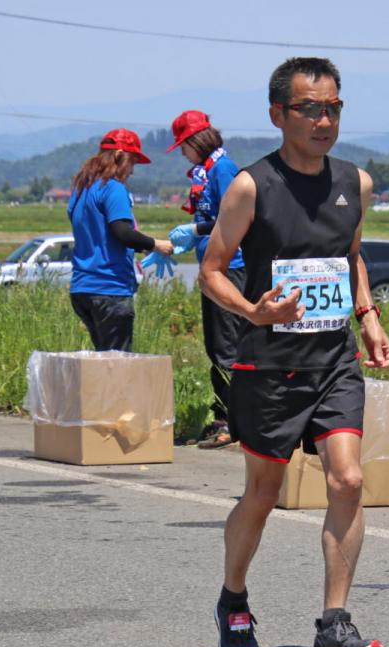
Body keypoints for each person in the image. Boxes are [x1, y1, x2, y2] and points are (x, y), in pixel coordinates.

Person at [199, 57, 389, 647]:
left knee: (350, 480)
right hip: (268, 366)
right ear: (278, 114)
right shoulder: (251, 187)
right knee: (263, 491)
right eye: (310, 108)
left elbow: (350, 255)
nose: (324, 119)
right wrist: (254, 314)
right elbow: (210, 271)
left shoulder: (355, 183)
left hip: (333, 359)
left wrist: (368, 317)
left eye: (333, 107)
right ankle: (233, 600)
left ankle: (333, 623)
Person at [164, 110, 246, 449]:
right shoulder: (207, 171)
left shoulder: (224, 170)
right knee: (217, 346)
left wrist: (196, 229)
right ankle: (225, 417)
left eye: (183, 146)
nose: (183, 153)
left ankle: (230, 421)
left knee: (227, 346)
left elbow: (236, 216)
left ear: (195, 142)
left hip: (230, 268)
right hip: (213, 267)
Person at [66, 129, 172, 352]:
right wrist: (156, 244)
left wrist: (138, 245)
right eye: (132, 161)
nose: (132, 170)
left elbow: (98, 233)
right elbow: (122, 232)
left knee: (103, 359)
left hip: (81, 289)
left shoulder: (81, 188)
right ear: (119, 156)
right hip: (110, 288)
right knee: (118, 364)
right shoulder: (113, 188)